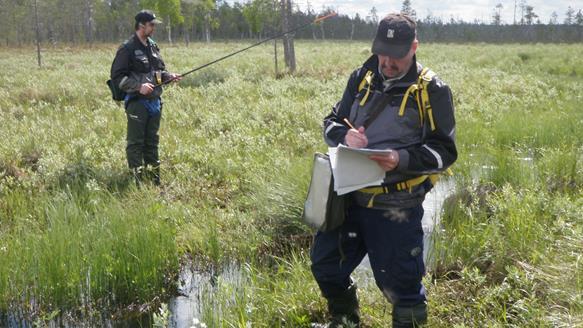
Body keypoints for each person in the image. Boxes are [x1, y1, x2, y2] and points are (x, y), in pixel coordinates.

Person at [311, 13, 457, 328]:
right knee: (326, 267)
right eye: (382, 53)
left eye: (397, 55)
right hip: (347, 198)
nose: (387, 62)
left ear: (415, 46)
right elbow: (331, 122)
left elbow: (444, 153)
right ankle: (346, 320)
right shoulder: (361, 77)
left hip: (397, 208)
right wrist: (343, 135)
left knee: (402, 288)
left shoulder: (432, 90)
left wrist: (399, 159)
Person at [110, 10, 181, 186]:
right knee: (136, 143)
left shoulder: (153, 46)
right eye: (151, 25)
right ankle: (137, 183)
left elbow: (159, 71)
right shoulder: (127, 48)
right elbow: (117, 77)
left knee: (152, 141)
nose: (154, 28)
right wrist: (138, 87)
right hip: (137, 104)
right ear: (142, 25)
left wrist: (168, 76)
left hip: (155, 102)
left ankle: (155, 181)